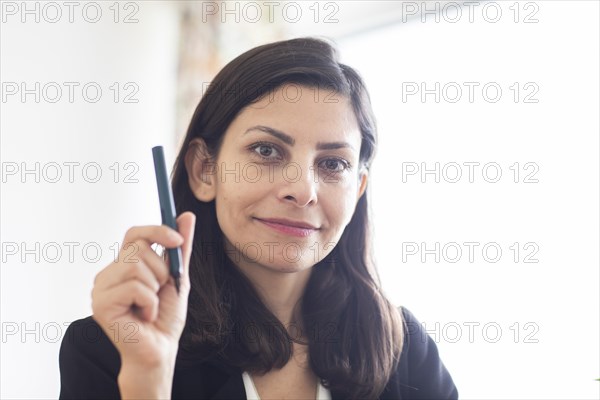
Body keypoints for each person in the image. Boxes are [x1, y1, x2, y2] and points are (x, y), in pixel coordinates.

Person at [59, 36, 458, 400]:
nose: (302, 190)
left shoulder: (403, 348)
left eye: (333, 163)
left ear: (357, 188)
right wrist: (148, 381)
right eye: (266, 151)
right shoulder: (110, 348)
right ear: (204, 170)